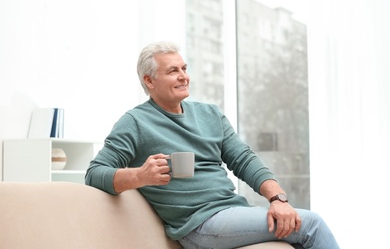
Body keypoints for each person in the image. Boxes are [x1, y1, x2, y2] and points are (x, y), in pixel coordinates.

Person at [85, 41, 339, 249]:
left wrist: (278, 198)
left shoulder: (209, 114)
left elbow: (243, 159)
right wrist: (140, 176)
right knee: (311, 225)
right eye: (173, 71)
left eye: (184, 68)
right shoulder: (135, 122)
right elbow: (95, 173)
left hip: (231, 211)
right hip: (199, 225)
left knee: (295, 226)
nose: (184, 76)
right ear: (149, 81)